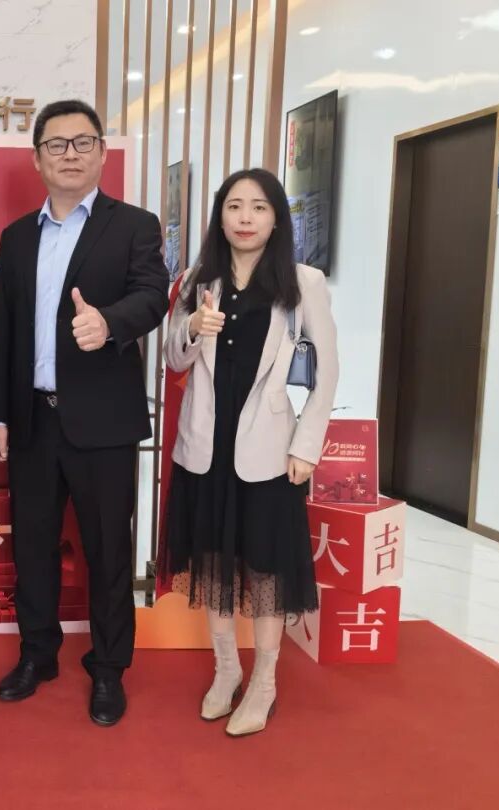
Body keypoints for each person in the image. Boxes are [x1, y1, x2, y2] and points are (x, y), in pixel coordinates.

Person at [0, 99, 170, 726]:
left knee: (108, 551)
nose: (70, 154)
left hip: (104, 421)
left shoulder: (134, 225)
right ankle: (37, 654)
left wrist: (109, 323)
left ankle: (109, 668)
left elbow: (153, 295)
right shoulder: (17, 237)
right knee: (32, 547)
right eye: (56, 144)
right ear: (37, 158)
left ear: (102, 153)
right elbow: (3, 334)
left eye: (82, 142)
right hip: (32, 420)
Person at [162, 167, 339, 736]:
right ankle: (226, 670)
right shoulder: (197, 278)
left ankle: (264, 681)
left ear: (277, 218)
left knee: (265, 570)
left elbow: (327, 373)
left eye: (259, 207)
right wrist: (193, 325)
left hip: (269, 451)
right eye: (234, 206)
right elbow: (174, 358)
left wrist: (307, 445)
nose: (245, 218)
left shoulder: (302, 282)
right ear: (220, 216)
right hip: (206, 447)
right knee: (214, 562)